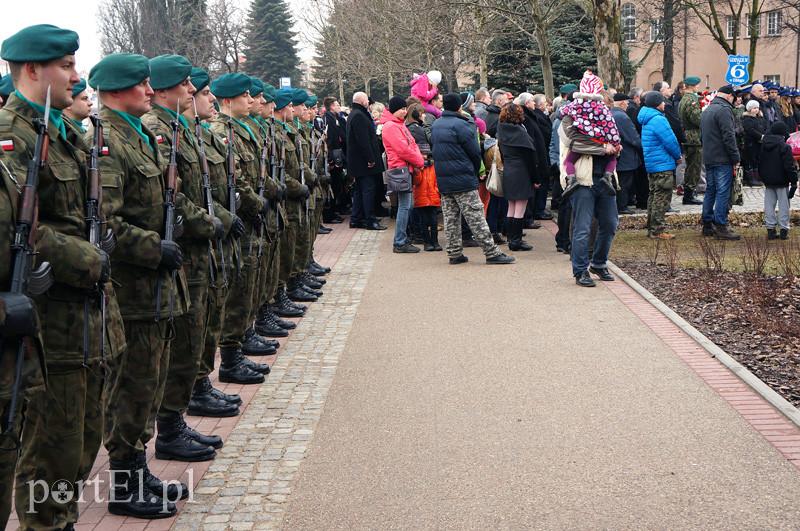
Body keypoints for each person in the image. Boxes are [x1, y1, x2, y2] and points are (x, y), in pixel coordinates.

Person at [1, 26, 125, 528]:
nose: (77, 77)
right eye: (67, 67)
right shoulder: (15, 136)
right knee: (50, 448)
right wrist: (85, 256)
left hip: (83, 318)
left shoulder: (62, 131)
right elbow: (20, 227)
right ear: (33, 70)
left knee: (79, 441)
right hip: (50, 319)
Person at [89, 52, 188, 518]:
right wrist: (154, 247)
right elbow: (106, 224)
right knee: (131, 386)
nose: (150, 91)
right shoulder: (108, 140)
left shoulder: (140, 135)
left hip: (153, 288)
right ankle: (124, 483)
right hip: (132, 289)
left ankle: (138, 468)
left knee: (148, 381)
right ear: (115, 90)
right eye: (140, 84)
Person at [185, 67, 244, 419]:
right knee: (193, 326)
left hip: (215, 234)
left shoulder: (200, 133)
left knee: (215, 309)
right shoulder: (169, 134)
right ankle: (190, 395)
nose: (257, 102)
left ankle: (206, 379)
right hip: (195, 243)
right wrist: (217, 219)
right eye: (199, 92)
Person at [431, 93, 514, 265]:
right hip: (463, 178)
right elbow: (474, 152)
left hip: (444, 179)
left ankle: (454, 253)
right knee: (476, 216)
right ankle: (491, 252)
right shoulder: (464, 125)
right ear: (459, 106)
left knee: (451, 217)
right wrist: (477, 170)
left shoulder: (436, 124)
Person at [560, 71, 621, 199]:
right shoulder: (601, 107)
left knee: (569, 161)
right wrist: (615, 143)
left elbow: (563, 111)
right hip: (600, 137)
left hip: (582, 135)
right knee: (612, 157)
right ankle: (608, 176)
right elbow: (611, 126)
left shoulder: (575, 105)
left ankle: (571, 179)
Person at [381, 96, 425, 253]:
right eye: (402, 109)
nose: (405, 111)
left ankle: (402, 239)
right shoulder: (392, 126)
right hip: (400, 169)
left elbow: (410, 145)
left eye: (405, 109)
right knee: (405, 206)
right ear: (394, 110)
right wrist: (419, 161)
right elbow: (404, 149)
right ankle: (400, 241)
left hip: (405, 168)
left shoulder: (398, 125)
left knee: (407, 205)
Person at [700, 85, 742, 240]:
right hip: (722, 158)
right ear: (729, 96)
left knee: (710, 190)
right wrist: (736, 157)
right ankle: (721, 225)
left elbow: (702, 135)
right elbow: (729, 137)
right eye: (734, 97)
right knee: (723, 192)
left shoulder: (708, 109)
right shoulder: (724, 110)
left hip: (709, 156)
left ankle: (707, 223)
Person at [639, 91, 682, 239]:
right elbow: (670, 141)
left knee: (653, 195)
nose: (665, 104)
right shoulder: (658, 119)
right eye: (663, 102)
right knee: (662, 196)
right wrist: (678, 156)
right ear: (657, 104)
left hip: (652, 163)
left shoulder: (646, 118)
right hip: (662, 163)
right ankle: (657, 230)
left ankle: (651, 227)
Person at [498, 103, 540, 251]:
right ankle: (516, 240)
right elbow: (530, 158)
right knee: (520, 207)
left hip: (509, 169)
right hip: (521, 171)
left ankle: (511, 238)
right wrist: (536, 179)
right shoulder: (520, 133)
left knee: (511, 206)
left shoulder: (501, 130)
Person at [347, 91, 386, 230]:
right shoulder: (359, 116)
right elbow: (363, 140)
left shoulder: (356, 114)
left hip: (359, 162)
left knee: (359, 190)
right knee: (368, 190)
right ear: (362, 101)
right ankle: (369, 219)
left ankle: (356, 218)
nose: (369, 103)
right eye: (367, 101)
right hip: (364, 162)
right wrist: (370, 158)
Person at [406, 102, 441, 251]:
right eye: (422, 113)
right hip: (428, 173)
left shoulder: (408, 130)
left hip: (418, 173)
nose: (425, 115)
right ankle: (433, 241)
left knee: (422, 211)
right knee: (431, 211)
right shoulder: (421, 130)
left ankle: (427, 241)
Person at [759, 121, 797, 240]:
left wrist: (763, 178)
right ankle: (783, 229)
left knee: (769, 204)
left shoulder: (763, 145)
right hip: (782, 180)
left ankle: (770, 229)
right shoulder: (784, 147)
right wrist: (794, 181)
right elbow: (789, 166)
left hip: (768, 181)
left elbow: (760, 163)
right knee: (784, 205)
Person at [611, 93, 642, 214]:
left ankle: (620, 205)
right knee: (624, 182)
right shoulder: (622, 117)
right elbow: (632, 137)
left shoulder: (612, 113)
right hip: (626, 155)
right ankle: (622, 206)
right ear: (622, 103)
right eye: (627, 102)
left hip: (619, 155)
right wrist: (641, 145)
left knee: (619, 181)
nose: (628, 105)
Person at [678, 76, 704, 205]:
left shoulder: (684, 99)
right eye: (697, 85)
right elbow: (697, 119)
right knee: (694, 166)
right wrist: (704, 113)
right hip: (693, 136)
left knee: (691, 165)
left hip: (688, 135)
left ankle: (689, 192)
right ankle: (689, 194)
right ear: (693, 86)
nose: (698, 87)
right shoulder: (692, 100)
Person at [323, 96, 348, 221]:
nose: (339, 107)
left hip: (338, 152)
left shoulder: (336, 118)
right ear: (332, 106)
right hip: (333, 154)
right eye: (337, 105)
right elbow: (330, 140)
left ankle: (335, 210)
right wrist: (331, 159)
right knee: (333, 184)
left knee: (338, 183)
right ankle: (329, 214)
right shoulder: (328, 119)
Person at [742, 99, 767, 185]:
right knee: (750, 160)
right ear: (749, 109)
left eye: (757, 108)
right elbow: (750, 130)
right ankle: (751, 178)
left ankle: (757, 177)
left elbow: (763, 127)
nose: (756, 109)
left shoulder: (759, 118)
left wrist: (764, 134)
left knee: (757, 159)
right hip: (751, 142)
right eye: (754, 108)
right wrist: (760, 136)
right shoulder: (747, 119)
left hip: (759, 142)